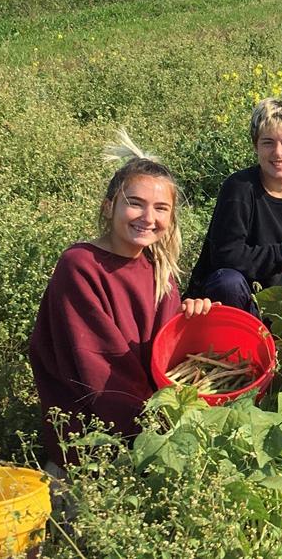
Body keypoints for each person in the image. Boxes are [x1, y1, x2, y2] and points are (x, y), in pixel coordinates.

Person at [30, 131, 214, 467]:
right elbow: (99, 369)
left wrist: (193, 322)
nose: (148, 217)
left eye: (161, 208)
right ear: (109, 205)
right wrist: (158, 431)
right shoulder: (81, 265)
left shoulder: (160, 268)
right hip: (93, 438)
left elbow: (166, 356)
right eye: (135, 203)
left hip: (151, 426)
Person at [186, 98, 282, 313]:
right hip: (223, 298)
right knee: (229, 281)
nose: (278, 152)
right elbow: (226, 257)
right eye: (268, 142)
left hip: (274, 299)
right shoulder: (239, 188)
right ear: (255, 145)